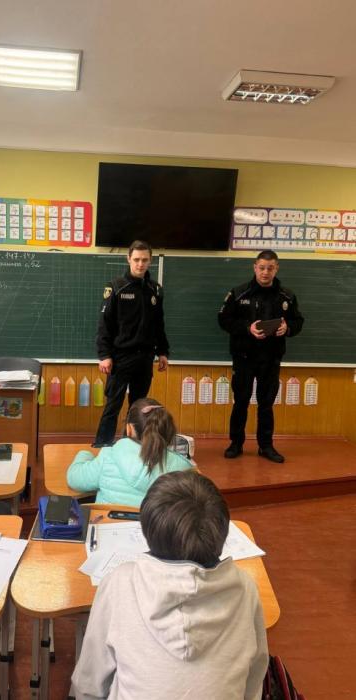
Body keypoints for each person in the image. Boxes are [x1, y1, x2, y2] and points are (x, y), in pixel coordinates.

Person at [71, 470, 268, 700]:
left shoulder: (119, 583)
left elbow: (88, 685)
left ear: (147, 531)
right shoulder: (246, 588)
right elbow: (254, 679)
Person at [218, 250, 304, 463]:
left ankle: (266, 446)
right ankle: (236, 443)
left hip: (271, 359)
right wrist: (247, 328)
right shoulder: (239, 293)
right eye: (262, 268)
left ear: (276, 269)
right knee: (241, 402)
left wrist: (287, 328)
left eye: (270, 268)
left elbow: (298, 321)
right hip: (244, 357)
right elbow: (223, 320)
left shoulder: (287, 296)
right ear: (255, 267)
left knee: (266, 405)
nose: (265, 272)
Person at [93, 240, 169, 447]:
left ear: (150, 261)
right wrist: (104, 355)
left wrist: (163, 352)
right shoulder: (116, 287)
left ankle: (131, 446)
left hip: (145, 358)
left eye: (144, 260)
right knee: (113, 405)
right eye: (136, 259)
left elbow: (159, 324)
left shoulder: (155, 290)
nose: (140, 264)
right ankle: (102, 445)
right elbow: (104, 324)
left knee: (138, 407)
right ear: (128, 259)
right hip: (120, 358)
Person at [67, 398, 192, 506]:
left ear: (129, 429)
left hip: (107, 524)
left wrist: (84, 454)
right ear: (169, 431)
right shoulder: (182, 470)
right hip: (152, 527)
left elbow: (74, 479)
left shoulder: (108, 455)